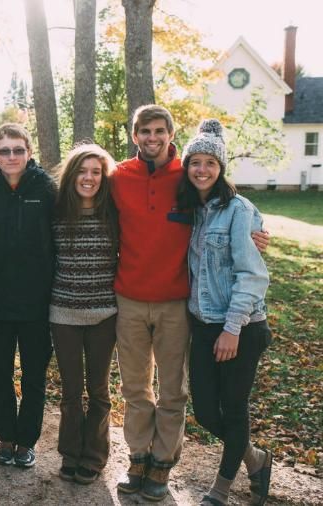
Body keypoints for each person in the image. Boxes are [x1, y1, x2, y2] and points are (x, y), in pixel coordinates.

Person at [112, 105, 270, 501]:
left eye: (159, 130)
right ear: (135, 136)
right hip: (129, 297)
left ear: (170, 134)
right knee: (134, 387)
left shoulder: (185, 176)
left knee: (172, 391)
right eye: (144, 131)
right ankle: (138, 457)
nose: (152, 137)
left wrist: (256, 231)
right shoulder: (119, 176)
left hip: (175, 302)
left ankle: (162, 464)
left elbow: (228, 201)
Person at [177, 119, 273, 506]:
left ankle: (220, 489)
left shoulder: (238, 210)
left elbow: (251, 275)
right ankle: (256, 458)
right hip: (202, 325)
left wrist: (232, 328)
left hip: (241, 327)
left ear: (221, 168)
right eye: (195, 162)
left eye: (209, 163)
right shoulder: (192, 211)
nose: (201, 169)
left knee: (233, 409)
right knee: (204, 411)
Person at [0, 123, 56, 468]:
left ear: (29, 151)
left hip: (38, 301)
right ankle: (5, 437)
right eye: (4, 151)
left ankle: (26, 441)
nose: (12, 156)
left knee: (34, 377)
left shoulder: (47, 189)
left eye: (18, 150)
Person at [50, 144, 118, 484]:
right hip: (64, 314)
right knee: (71, 391)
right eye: (82, 171)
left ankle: (94, 456)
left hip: (105, 315)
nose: (88, 178)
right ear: (72, 174)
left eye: (96, 172)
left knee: (100, 390)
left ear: (103, 178)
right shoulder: (57, 211)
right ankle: (70, 453)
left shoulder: (114, 213)